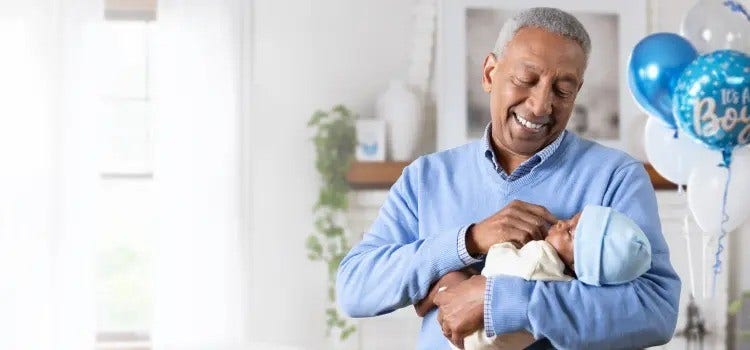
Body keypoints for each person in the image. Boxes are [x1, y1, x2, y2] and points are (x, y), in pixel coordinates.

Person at [336, 7, 680, 349]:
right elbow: (355, 286)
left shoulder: (616, 177)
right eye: (526, 80)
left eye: (562, 90)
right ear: (489, 73)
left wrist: (497, 301)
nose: (541, 105)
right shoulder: (426, 178)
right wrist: (467, 242)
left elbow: (655, 309)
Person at [453, 205, 653, 350]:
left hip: (467, 337)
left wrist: (505, 243)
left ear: (578, 264)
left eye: (569, 232)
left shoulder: (539, 259)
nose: (560, 222)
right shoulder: (566, 286)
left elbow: (498, 259)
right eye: (571, 218)